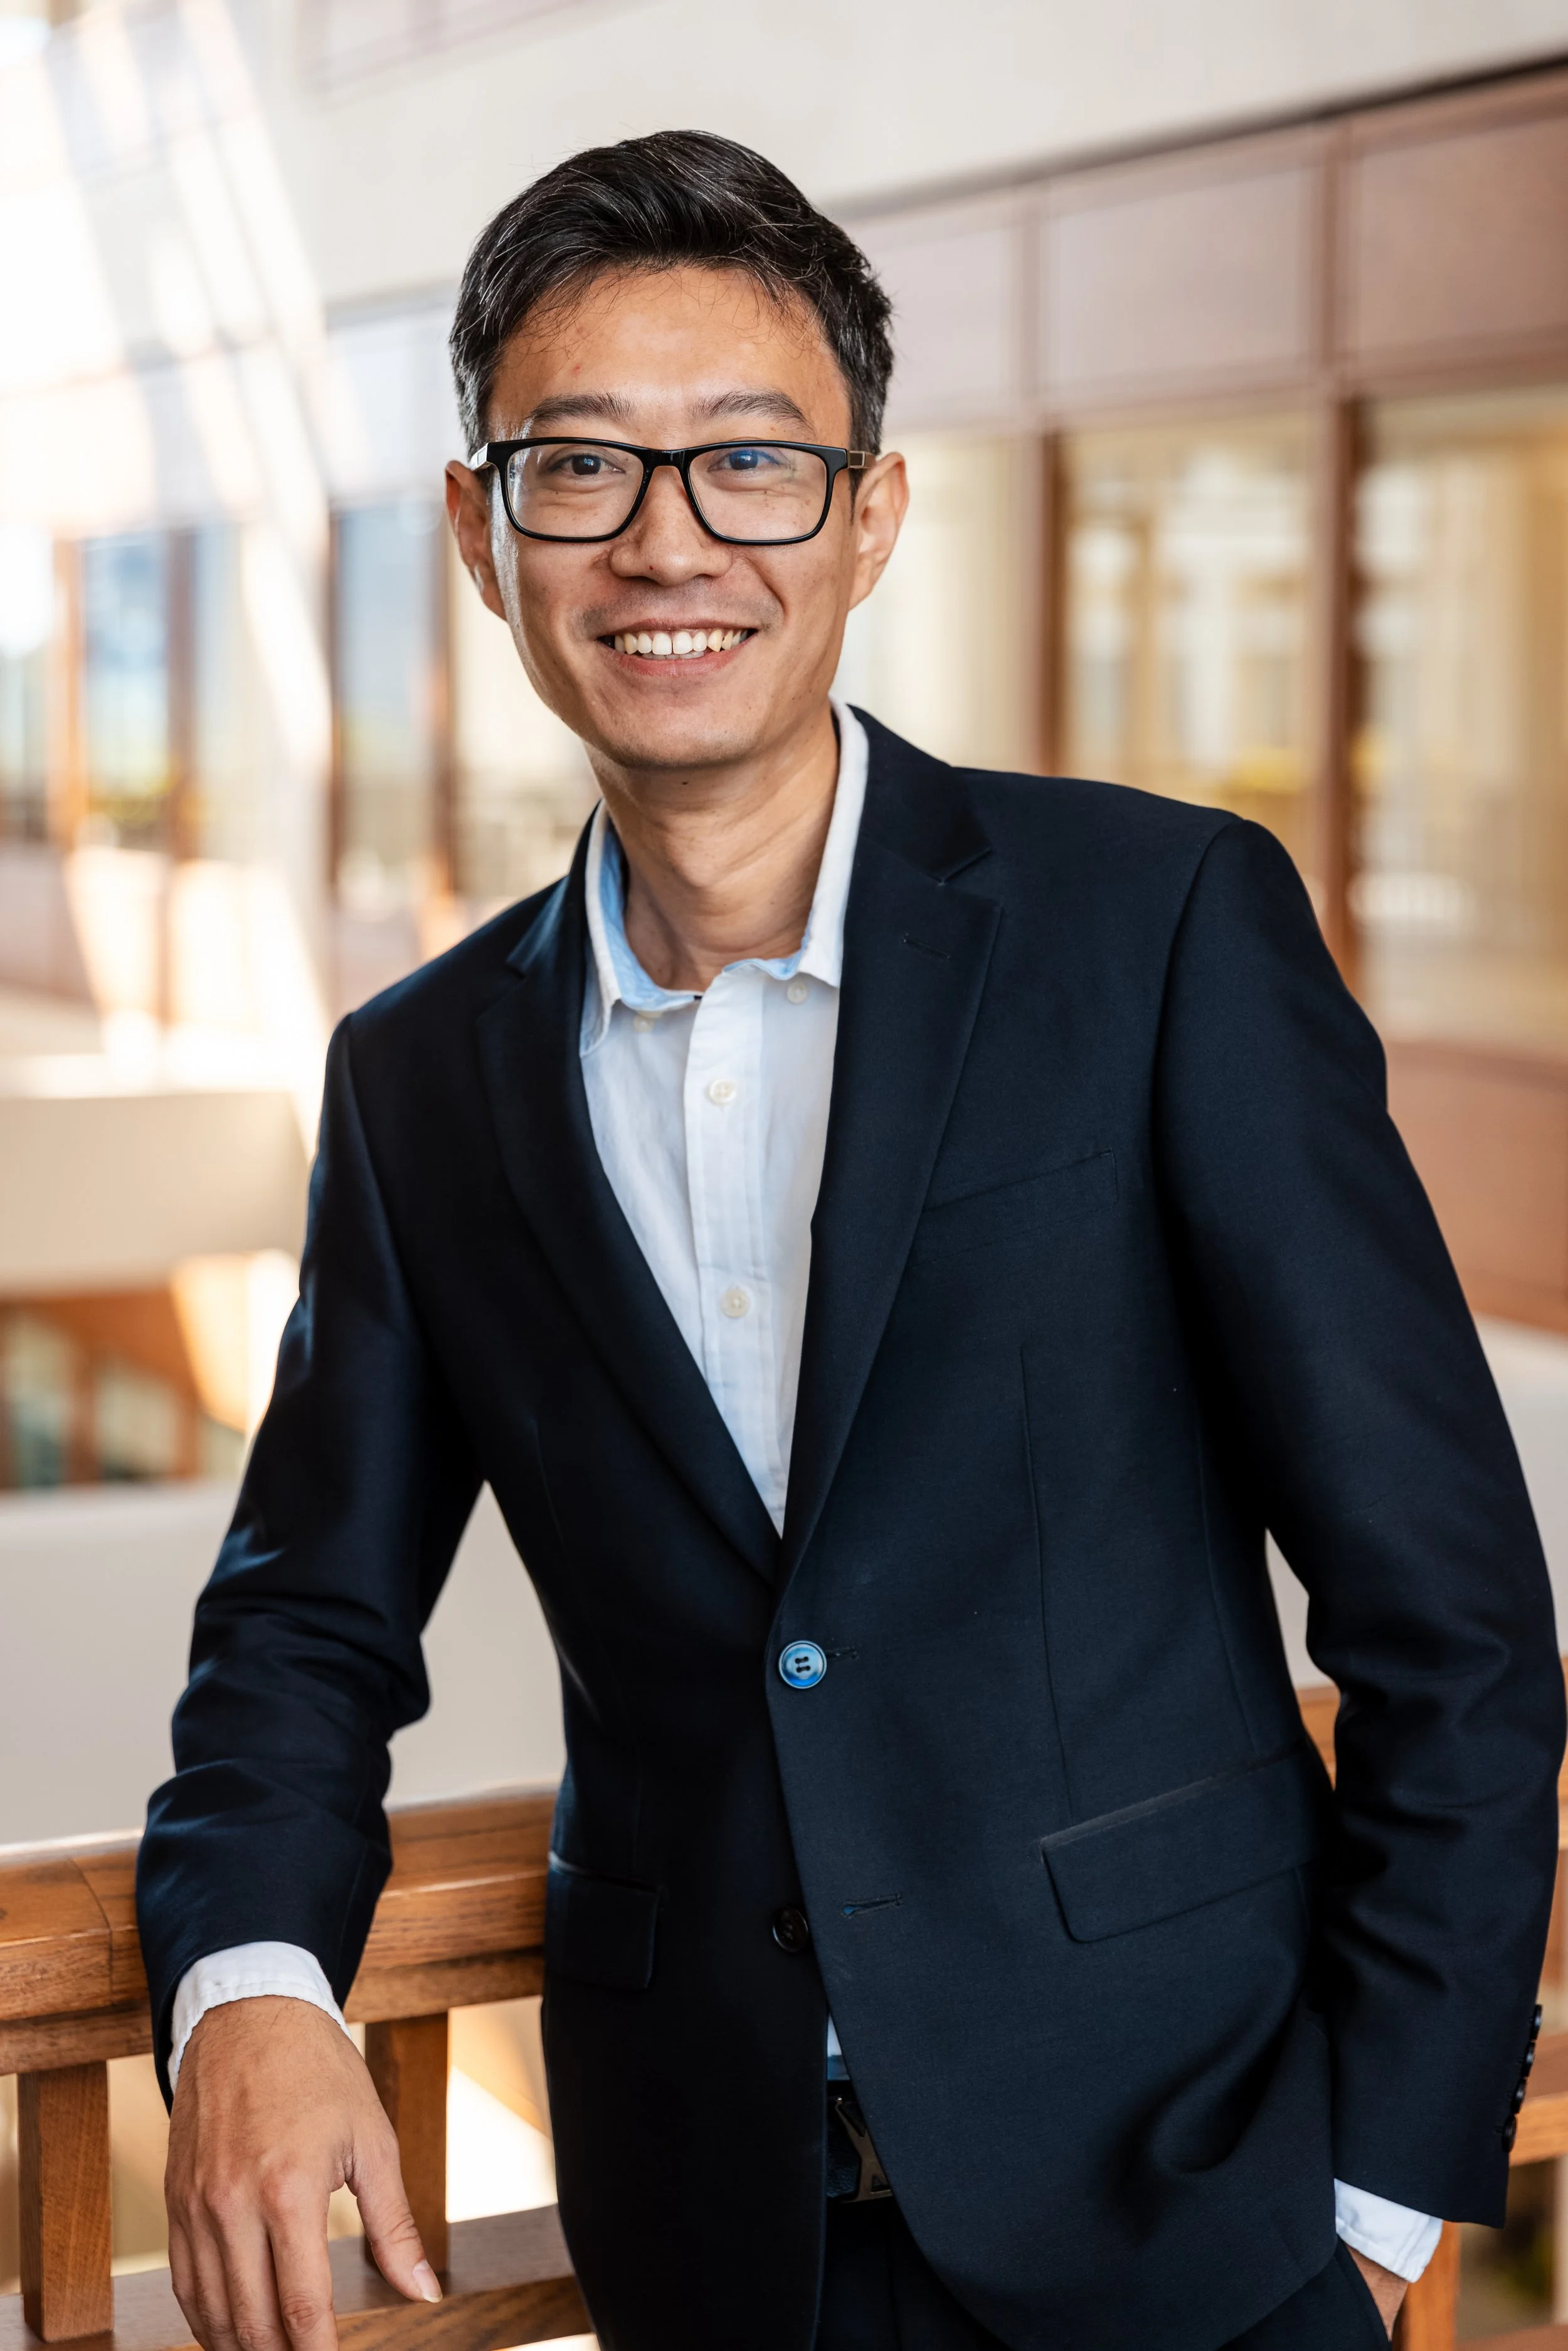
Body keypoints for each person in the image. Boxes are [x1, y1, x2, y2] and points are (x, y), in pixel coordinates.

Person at [136, 130, 1564, 2351]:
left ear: (870, 514)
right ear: (478, 533)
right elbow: (300, 1631)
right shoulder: (421, 1077)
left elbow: (1449, 1613)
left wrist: (1376, 2194)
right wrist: (244, 1979)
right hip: (719, 2242)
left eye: (752, 465)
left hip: (1202, 2210)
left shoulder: (1158, 927)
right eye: (578, 468)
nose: (665, 543)